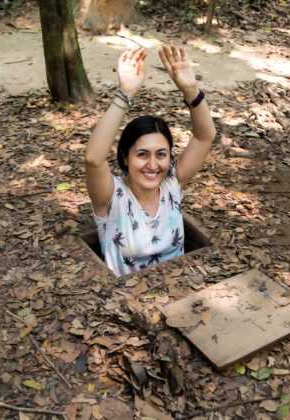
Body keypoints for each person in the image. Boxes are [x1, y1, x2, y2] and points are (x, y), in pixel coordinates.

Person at [85, 45, 216, 276]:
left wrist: (192, 91)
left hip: (179, 292)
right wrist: (125, 95)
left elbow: (205, 137)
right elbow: (94, 159)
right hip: (126, 303)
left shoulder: (172, 184)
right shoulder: (111, 197)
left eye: (161, 154)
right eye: (142, 154)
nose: (153, 165)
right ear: (125, 156)